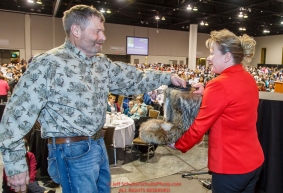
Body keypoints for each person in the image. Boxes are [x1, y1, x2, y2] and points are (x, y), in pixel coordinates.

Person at [0, 5, 186, 193]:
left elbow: (133, 78)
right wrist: (15, 164)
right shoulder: (48, 64)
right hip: (71, 151)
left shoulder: (100, 63)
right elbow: (16, 115)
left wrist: (166, 77)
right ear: (76, 30)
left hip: (97, 145)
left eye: (102, 31)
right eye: (97, 31)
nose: (103, 37)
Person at [168, 29, 264, 193]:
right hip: (254, 163)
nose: (209, 58)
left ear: (227, 57)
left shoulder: (219, 84)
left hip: (230, 167)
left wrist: (179, 144)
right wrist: (208, 94)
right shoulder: (248, 78)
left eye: (212, 53)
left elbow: (200, 126)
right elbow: (234, 105)